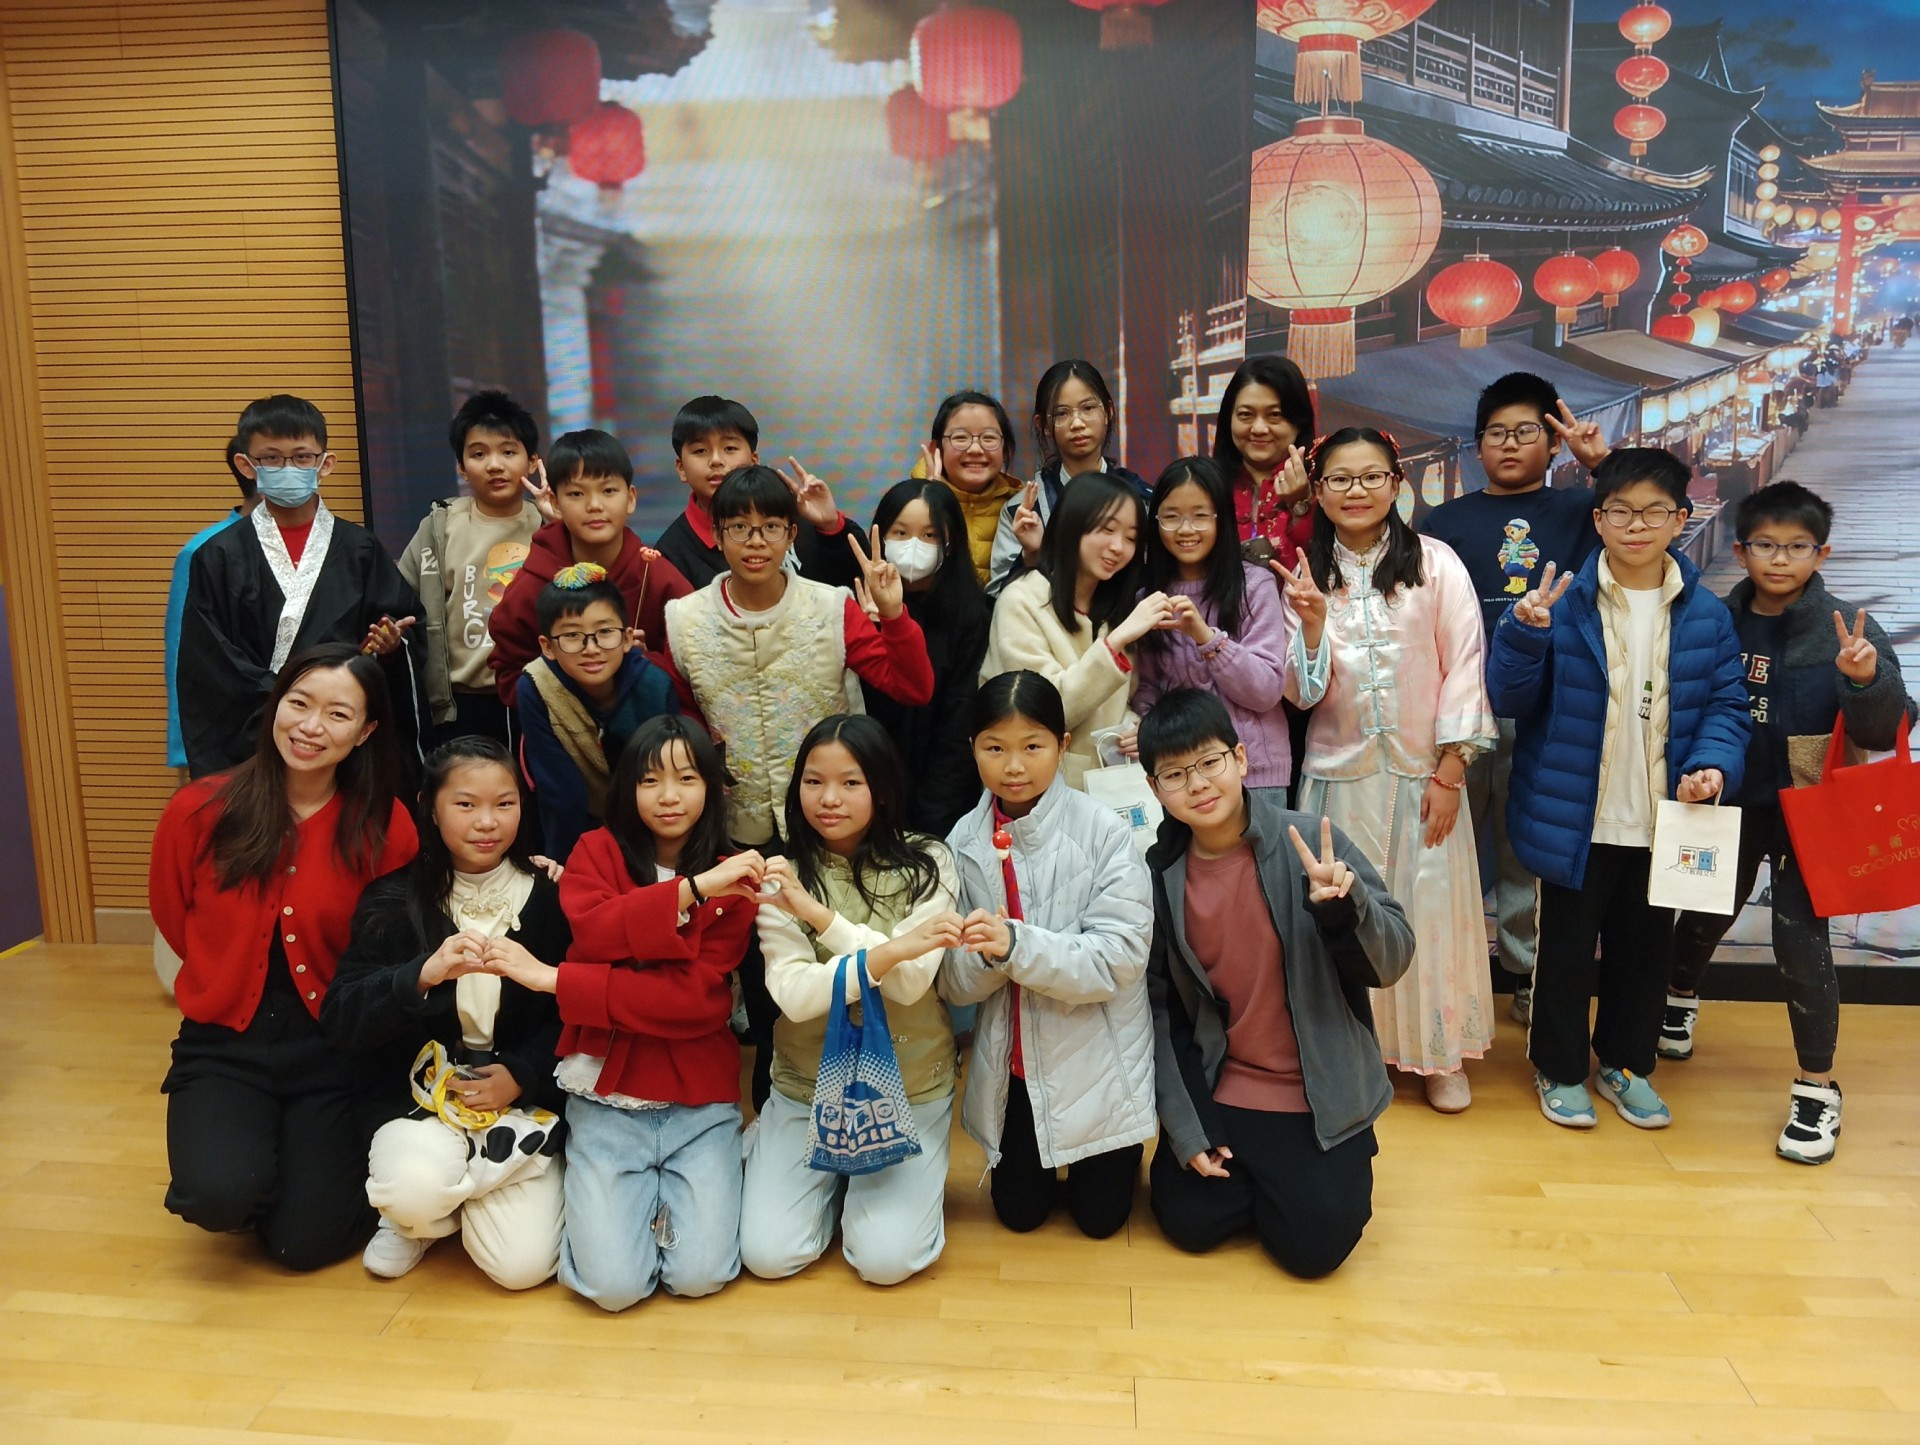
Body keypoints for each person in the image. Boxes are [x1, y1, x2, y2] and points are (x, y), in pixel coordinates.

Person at [1489, 448, 1750, 1131]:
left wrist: (1713, 767)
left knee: (1645, 953)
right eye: (1621, 511)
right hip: (1574, 816)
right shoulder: (1560, 602)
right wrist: (1523, 636)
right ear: (1599, 519)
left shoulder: (1706, 613)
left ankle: (1626, 1064)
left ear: (1680, 519)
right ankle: (1559, 1067)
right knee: (1565, 955)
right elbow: (1509, 699)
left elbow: (1726, 705)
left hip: (1665, 819)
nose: (1637, 525)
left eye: (1654, 511)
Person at [148, 645, 417, 1270]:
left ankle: (291, 1167)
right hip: (224, 1045)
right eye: (299, 703)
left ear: (365, 732)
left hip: (332, 1051)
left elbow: (389, 949)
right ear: (276, 706)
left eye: (337, 714)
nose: (310, 726)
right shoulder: (198, 810)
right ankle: (255, 1164)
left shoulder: (386, 824)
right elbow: (175, 917)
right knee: (217, 1197)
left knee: (305, 1245)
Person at [1665, 483, 1908, 1164]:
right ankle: (1678, 998)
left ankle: (1817, 1087)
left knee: (1800, 943)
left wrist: (1864, 680)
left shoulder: (1847, 626)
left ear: (1820, 553)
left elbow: (1888, 728)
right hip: (1730, 800)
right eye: (1765, 545)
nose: (1779, 559)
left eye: (1797, 546)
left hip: (1813, 810)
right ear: (1741, 550)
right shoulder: (1714, 618)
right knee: (1704, 913)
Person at [486, 716, 762, 1311]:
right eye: (649, 780)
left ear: (711, 787)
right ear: (626, 788)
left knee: (699, 1276)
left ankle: (665, 1193)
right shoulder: (598, 850)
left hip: (699, 1102)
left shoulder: (737, 874)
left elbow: (694, 1002)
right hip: (605, 1099)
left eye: (687, 778)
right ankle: (605, 1196)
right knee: (613, 1289)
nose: (668, 796)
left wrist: (561, 979)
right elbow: (593, 931)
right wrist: (694, 891)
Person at [1138, 689, 1414, 1277]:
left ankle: (1308, 1173)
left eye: (1209, 762)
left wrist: (1344, 910)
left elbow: (1392, 960)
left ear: (1241, 758)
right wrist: (1189, 1129)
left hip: (1316, 1091)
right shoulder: (1160, 876)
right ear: (1155, 789)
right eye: (1175, 774)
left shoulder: (1311, 842)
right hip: (1226, 1085)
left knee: (1314, 1251)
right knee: (1188, 1223)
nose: (1197, 784)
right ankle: (1271, 1183)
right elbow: (1163, 1014)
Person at [1288, 428, 1497, 1113]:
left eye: (1371, 476)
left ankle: (1438, 1053)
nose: (1357, 491)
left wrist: (1451, 771)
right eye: (1340, 479)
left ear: (1396, 483)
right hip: (1338, 775)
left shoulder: (1436, 564)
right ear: (1319, 492)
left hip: (1424, 778)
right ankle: (1352, 1051)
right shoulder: (1304, 572)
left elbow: (1465, 665)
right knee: (1343, 915)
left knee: (1428, 911)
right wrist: (1311, 626)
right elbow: (1300, 695)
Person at [322, 737, 568, 1287]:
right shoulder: (392, 899)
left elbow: (581, 1012)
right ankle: (420, 1213)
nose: (487, 822)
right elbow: (341, 1015)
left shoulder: (555, 897)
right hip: (421, 1104)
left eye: (504, 803)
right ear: (429, 808)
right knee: (412, 1192)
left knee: (522, 1269)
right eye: (465, 804)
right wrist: (419, 975)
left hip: (521, 1107)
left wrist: (522, 1074)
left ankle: (456, 1191)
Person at [745, 716, 965, 1285]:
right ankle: (817, 1170)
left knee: (884, 1262)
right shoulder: (781, 875)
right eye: (813, 781)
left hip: (908, 1085)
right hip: (807, 1086)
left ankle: (870, 1185)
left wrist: (819, 918)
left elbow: (910, 985)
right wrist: (890, 953)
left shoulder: (930, 861)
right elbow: (795, 997)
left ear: (882, 788)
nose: (829, 799)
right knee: (768, 1256)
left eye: (850, 782)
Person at [1421, 373, 1611, 1026]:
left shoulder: (1583, 510)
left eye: (1525, 431)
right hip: (1460, 710)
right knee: (1444, 846)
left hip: (1546, 710)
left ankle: (1529, 974)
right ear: (1477, 446)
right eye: (1495, 432)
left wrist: (1601, 465)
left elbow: (1650, 517)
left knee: (1526, 851)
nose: (1508, 443)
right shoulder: (1442, 523)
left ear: (1554, 443)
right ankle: (1444, 973)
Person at [940, 672, 1156, 1239]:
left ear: (1062, 745)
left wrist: (1015, 945)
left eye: (1032, 746)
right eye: (995, 748)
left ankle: (1113, 1154)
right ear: (973, 749)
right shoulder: (962, 841)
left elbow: (1119, 960)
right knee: (1019, 1214)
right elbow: (953, 984)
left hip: (1097, 1062)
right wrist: (988, 959)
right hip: (1014, 1066)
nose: (1014, 766)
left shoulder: (1104, 831)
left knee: (1101, 1220)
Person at [662, 464, 936, 849]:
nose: (756, 541)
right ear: (717, 535)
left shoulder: (832, 607)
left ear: (792, 534)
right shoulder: (684, 618)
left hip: (829, 819)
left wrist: (893, 615)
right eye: (739, 527)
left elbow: (913, 689)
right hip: (733, 827)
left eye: (771, 527)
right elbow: (686, 712)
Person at [177, 395, 427, 779]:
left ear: (324, 464)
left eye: (301, 457)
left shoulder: (361, 550)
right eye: (271, 458)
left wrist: (392, 646)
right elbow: (209, 660)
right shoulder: (218, 555)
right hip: (252, 735)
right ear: (245, 465)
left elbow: (402, 629)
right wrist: (287, 701)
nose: (288, 468)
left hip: (341, 734)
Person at [980, 472, 1172, 790]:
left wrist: (1135, 729)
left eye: (1131, 538)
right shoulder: (1022, 600)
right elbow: (1042, 710)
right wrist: (1116, 642)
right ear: (1072, 525)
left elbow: (1119, 704)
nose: (1118, 547)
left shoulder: (1115, 610)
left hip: (1110, 793)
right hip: (1033, 789)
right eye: (1107, 529)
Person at [1133, 455, 1307, 792]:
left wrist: (1206, 638)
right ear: (1156, 522)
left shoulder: (1254, 585)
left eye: (1200, 516)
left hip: (1257, 773)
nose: (1186, 529)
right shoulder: (1148, 599)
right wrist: (1146, 725)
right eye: (1171, 517)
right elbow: (1148, 689)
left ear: (1221, 519)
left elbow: (1267, 691)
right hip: (1183, 779)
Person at [487, 427, 693, 707]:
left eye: (608, 491)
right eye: (576, 494)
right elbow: (510, 675)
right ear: (555, 503)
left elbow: (696, 673)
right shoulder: (532, 584)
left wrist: (644, 664)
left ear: (631, 498)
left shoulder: (657, 577)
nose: (595, 505)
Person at [399, 390, 545, 749]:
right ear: (461, 467)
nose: (494, 465)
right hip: (458, 703)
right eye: (478, 454)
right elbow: (400, 601)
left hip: (535, 696)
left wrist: (560, 527)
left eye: (508, 452)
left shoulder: (549, 525)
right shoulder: (440, 527)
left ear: (532, 461)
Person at [516, 564, 679, 865]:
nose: (591, 648)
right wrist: (565, 870)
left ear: (627, 638)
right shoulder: (537, 686)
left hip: (650, 829)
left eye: (605, 632)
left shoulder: (654, 685)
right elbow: (560, 792)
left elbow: (664, 779)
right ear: (547, 646)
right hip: (575, 831)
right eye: (572, 635)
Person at [862, 479, 992, 837]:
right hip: (865, 790)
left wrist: (932, 817)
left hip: (943, 799)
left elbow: (960, 721)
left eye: (930, 535)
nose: (913, 545)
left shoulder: (974, 615)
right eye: (901, 533)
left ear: (952, 543)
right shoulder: (858, 603)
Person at [652, 394, 869, 592]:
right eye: (700, 451)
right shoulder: (669, 554)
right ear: (681, 468)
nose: (716, 460)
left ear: (753, 460)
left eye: (730, 448)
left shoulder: (794, 515)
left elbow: (859, 584)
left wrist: (830, 527)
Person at [988, 360, 1150, 595]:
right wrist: (1032, 555)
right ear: (1043, 425)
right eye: (1062, 413)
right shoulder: (1023, 511)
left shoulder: (1141, 499)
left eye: (1088, 408)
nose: (1077, 423)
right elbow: (999, 597)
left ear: (1108, 412)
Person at [165, 436, 256, 770]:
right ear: (248, 467)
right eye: (275, 458)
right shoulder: (204, 551)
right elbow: (183, 656)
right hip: (233, 745)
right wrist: (187, 753)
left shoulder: (332, 545)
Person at [1212, 355, 1316, 571]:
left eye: (1274, 415)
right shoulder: (1206, 486)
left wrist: (1302, 504)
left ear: (1299, 421)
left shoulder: (1326, 485)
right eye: (1245, 415)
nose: (1259, 428)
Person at [917, 390, 1023, 586]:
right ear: (935, 449)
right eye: (960, 438)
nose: (975, 449)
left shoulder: (1020, 508)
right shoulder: (910, 503)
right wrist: (931, 508)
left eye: (989, 438)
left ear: (1005, 449)